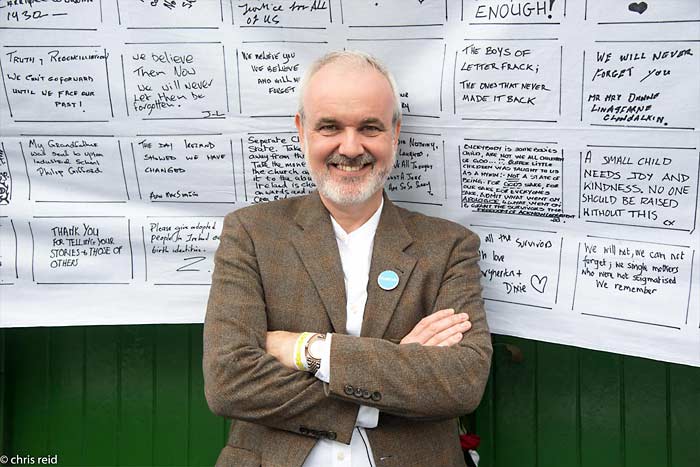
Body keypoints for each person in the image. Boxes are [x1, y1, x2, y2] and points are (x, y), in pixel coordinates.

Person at [203, 51, 492, 467]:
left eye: (370, 127)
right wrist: (389, 380)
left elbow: (460, 383)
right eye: (330, 127)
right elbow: (229, 382)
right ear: (303, 131)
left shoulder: (449, 246)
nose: (351, 147)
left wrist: (310, 351)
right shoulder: (251, 233)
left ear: (395, 132)